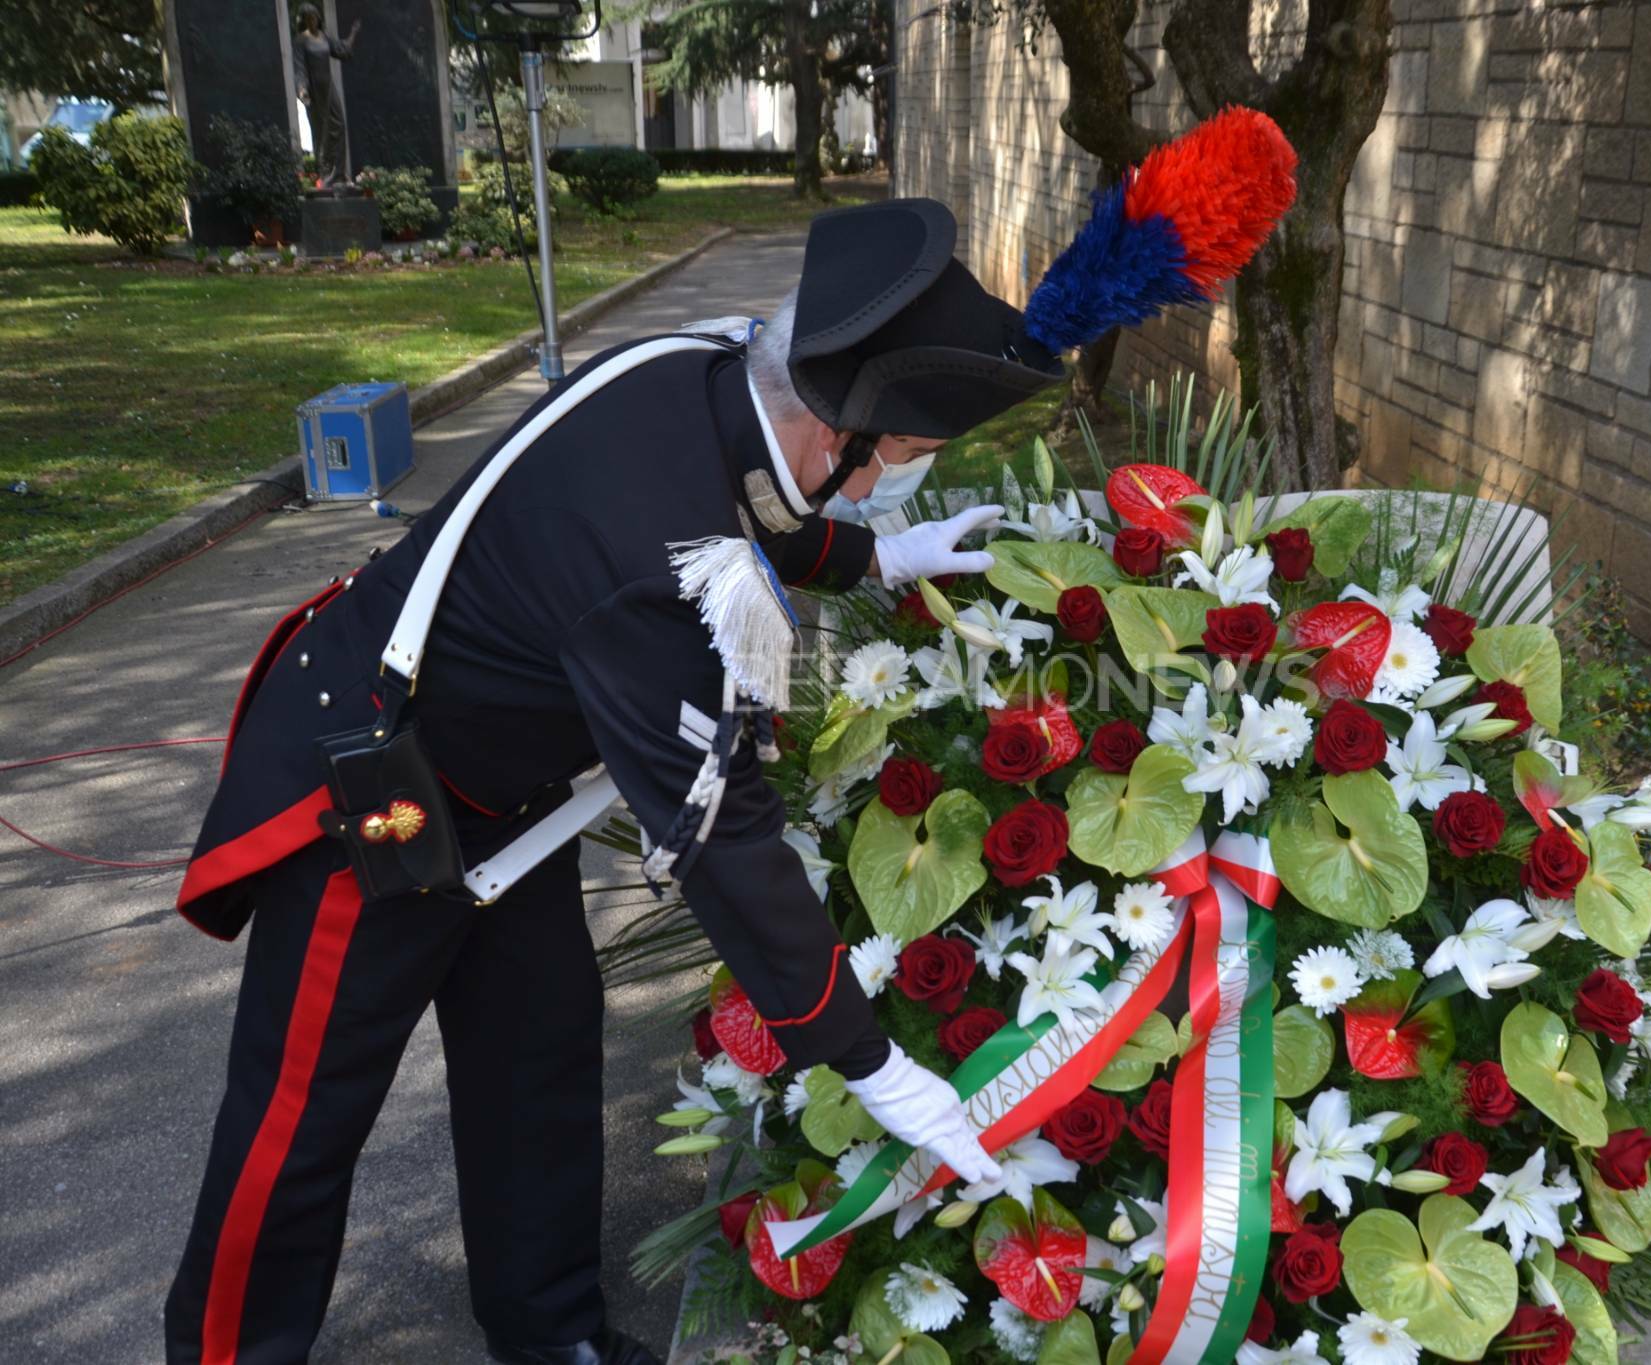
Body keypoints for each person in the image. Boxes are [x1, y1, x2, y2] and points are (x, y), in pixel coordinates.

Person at [163, 199, 1056, 1365]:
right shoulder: (648, 582)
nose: (890, 482)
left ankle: (549, 1332)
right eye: (898, 464)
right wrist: (864, 1057)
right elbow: (725, 839)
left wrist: (875, 552)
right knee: (302, 1116)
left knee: (537, 1061)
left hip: (504, 799)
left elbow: (745, 503)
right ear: (836, 430)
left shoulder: (710, 371)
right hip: (372, 791)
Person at [293, 3, 359, 188]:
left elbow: (342, 50)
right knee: (322, 132)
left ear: (318, 18)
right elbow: (299, 68)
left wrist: (353, 33)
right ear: (304, 21)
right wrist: (302, 89)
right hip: (315, 92)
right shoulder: (300, 41)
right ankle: (326, 174)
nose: (312, 21)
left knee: (339, 126)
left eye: (314, 17)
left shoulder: (324, 37)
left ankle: (340, 173)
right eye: (308, 19)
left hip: (329, 89)